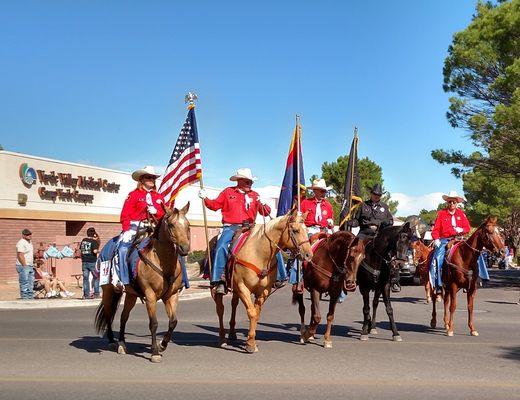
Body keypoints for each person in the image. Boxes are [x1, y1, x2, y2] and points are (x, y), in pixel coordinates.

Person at [198, 168, 274, 295]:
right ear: (239, 181)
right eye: (247, 181)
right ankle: (219, 280)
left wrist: (264, 205)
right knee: (222, 246)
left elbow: (265, 212)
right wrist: (205, 198)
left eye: (251, 182)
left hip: (251, 227)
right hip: (231, 227)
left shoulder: (255, 195)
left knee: (271, 242)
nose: (250, 184)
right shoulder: (228, 192)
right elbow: (215, 205)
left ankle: (279, 276)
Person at [117, 166, 165, 287]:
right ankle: (123, 280)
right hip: (136, 226)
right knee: (122, 249)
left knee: (174, 246)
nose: (151, 180)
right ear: (142, 180)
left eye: (153, 178)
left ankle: (180, 280)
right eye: (148, 177)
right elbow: (125, 214)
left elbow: (165, 215)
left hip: (155, 228)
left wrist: (157, 212)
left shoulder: (159, 197)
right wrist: (127, 230)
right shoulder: (133, 195)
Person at [348, 183, 397, 291]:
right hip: (364, 233)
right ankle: (352, 279)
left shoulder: (384, 207)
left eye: (379, 195)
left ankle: (393, 280)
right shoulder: (363, 205)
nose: (376, 196)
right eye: (375, 194)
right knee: (354, 251)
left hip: (379, 235)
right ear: (371, 194)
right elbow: (357, 220)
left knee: (391, 254)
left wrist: (380, 223)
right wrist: (352, 222)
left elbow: (390, 221)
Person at [289, 179, 334, 293]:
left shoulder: (328, 206)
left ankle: (338, 284)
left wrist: (330, 224)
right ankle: (297, 280)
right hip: (309, 230)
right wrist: (300, 216)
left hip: (323, 231)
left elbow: (331, 223)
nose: (324, 193)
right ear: (315, 191)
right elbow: (299, 222)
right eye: (322, 191)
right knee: (302, 252)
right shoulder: (305, 203)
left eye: (325, 191)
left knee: (335, 251)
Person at [429, 191, 471, 294]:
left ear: (457, 203)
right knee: (436, 260)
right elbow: (436, 230)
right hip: (444, 240)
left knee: (474, 254)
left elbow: (467, 228)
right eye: (450, 202)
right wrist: (436, 238)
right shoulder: (442, 214)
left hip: (459, 239)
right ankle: (437, 284)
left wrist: (460, 229)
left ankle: (475, 279)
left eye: (454, 202)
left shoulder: (461, 214)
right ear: (447, 203)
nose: (452, 204)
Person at [80, 227, 100, 299]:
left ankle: (86, 295)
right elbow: (94, 251)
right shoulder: (94, 242)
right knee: (96, 277)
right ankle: (96, 293)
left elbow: (80, 250)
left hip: (84, 261)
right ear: (94, 234)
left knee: (85, 278)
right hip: (92, 261)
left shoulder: (83, 240)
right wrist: (99, 251)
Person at [16, 228, 35, 300]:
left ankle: (30, 296)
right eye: (27, 234)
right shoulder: (21, 243)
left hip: (30, 265)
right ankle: (24, 297)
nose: (29, 235)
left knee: (30, 282)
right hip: (23, 265)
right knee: (24, 281)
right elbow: (20, 254)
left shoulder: (30, 242)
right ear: (23, 235)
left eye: (30, 234)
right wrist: (24, 265)